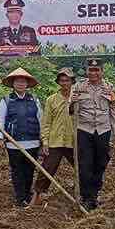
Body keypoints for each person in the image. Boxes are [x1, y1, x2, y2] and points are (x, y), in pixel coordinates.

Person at [69, 58, 115, 211]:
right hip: (84, 129)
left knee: (101, 163)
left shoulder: (109, 87)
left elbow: (114, 110)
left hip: (103, 129)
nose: (93, 73)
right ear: (86, 71)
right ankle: (86, 197)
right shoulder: (78, 87)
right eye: (90, 70)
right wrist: (72, 102)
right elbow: (70, 110)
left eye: (96, 70)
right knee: (85, 165)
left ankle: (95, 192)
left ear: (102, 71)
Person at [0, 68, 43, 207]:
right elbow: (0, 120)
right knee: (17, 171)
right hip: (13, 143)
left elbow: (41, 120)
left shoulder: (34, 100)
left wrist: (43, 139)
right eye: (18, 81)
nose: (21, 84)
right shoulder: (6, 100)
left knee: (29, 170)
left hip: (32, 142)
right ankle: (20, 198)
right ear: (13, 84)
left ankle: (27, 194)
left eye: (23, 82)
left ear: (27, 84)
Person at [31, 68, 77, 205]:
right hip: (55, 141)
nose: (64, 83)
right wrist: (45, 142)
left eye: (67, 80)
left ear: (72, 82)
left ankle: (85, 194)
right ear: (58, 82)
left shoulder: (77, 99)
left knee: (82, 167)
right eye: (62, 80)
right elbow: (46, 122)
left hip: (73, 141)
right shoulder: (52, 100)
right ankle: (37, 195)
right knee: (47, 168)